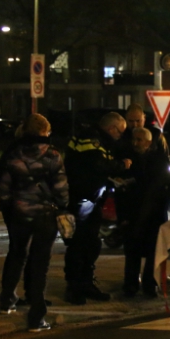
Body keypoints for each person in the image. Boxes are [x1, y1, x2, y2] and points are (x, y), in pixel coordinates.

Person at [0, 114, 68, 332]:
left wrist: (10, 209)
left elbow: (4, 188)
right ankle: (36, 317)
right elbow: (61, 188)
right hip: (45, 216)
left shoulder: (12, 153)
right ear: (45, 131)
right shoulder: (53, 155)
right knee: (40, 265)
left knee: (16, 253)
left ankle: (6, 300)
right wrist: (63, 207)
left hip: (19, 214)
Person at [64, 111, 131, 305]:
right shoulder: (90, 139)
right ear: (112, 128)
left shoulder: (100, 141)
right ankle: (74, 287)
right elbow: (95, 164)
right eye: (120, 132)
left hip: (92, 200)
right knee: (79, 244)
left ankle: (86, 283)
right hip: (81, 199)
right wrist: (120, 166)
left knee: (91, 243)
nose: (119, 136)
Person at [118, 126, 170, 297]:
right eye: (134, 139)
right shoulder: (127, 158)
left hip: (153, 212)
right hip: (133, 211)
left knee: (152, 252)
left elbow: (160, 184)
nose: (135, 143)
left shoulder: (159, 159)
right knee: (132, 251)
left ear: (149, 142)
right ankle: (130, 285)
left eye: (139, 140)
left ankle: (150, 285)